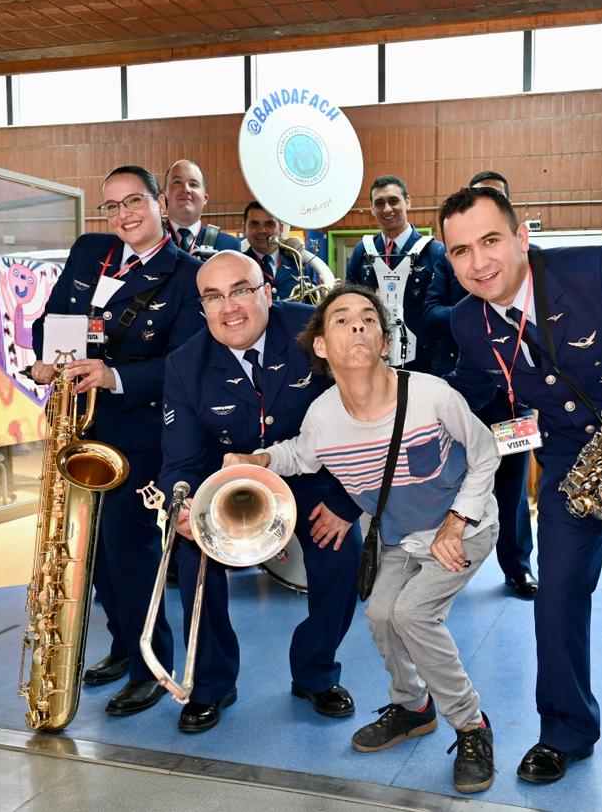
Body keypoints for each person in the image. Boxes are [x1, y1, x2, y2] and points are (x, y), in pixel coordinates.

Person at [441, 186, 602, 812]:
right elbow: (486, 405)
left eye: (490, 241)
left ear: (521, 237)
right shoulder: (465, 323)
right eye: (460, 251)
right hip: (570, 461)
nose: (478, 263)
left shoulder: (595, 270)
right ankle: (566, 730)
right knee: (555, 592)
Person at [226, 285, 500, 794]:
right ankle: (413, 706)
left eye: (368, 318)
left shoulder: (430, 394)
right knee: (379, 614)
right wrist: (259, 459)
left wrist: (457, 522)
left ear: (384, 340)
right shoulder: (323, 416)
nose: (357, 325)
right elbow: (302, 456)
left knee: (413, 614)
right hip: (397, 536)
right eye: (342, 320)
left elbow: (485, 453)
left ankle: (471, 725)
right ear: (323, 348)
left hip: (466, 524)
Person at [158, 251, 364, 732]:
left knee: (342, 551)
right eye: (213, 297)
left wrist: (345, 503)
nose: (229, 307)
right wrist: (184, 506)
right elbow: (182, 461)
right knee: (195, 559)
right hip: (228, 483)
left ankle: (315, 672)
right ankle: (211, 683)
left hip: (314, 476)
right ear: (202, 308)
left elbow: (362, 416)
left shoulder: (314, 329)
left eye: (241, 290)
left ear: (268, 292)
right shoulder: (185, 364)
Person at [30, 164, 203, 716]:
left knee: (129, 547)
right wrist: (48, 359)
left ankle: (154, 663)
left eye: (135, 201)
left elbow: (182, 364)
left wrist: (112, 374)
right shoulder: (90, 252)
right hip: (80, 426)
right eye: (112, 205)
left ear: (159, 203)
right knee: (92, 551)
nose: (124, 214)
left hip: (142, 430)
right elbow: (48, 320)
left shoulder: (186, 274)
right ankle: (124, 646)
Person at [425, 170, 537, 599]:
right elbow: (430, 313)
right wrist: (476, 314)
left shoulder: (525, 266)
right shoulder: (444, 260)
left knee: (513, 489)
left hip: (515, 407)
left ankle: (518, 568)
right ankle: (446, 566)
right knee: (452, 482)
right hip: (464, 398)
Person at [344, 175, 449, 374]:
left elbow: (444, 313)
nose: (387, 209)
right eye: (379, 203)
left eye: (393, 201)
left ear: (407, 202)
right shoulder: (361, 252)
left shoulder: (435, 252)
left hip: (426, 365)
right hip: (373, 361)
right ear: (372, 208)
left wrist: (441, 368)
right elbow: (350, 306)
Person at [240, 201, 328, 301]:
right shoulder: (237, 267)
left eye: (269, 224)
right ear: (244, 228)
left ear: (281, 229)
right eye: (255, 224)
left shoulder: (301, 264)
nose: (262, 230)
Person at [163, 159, 240, 256]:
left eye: (193, 184)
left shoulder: (229, 247)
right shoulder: (147, 243)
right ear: (163, 195)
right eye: (178, 182)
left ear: (205, 198)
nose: (186, 189)